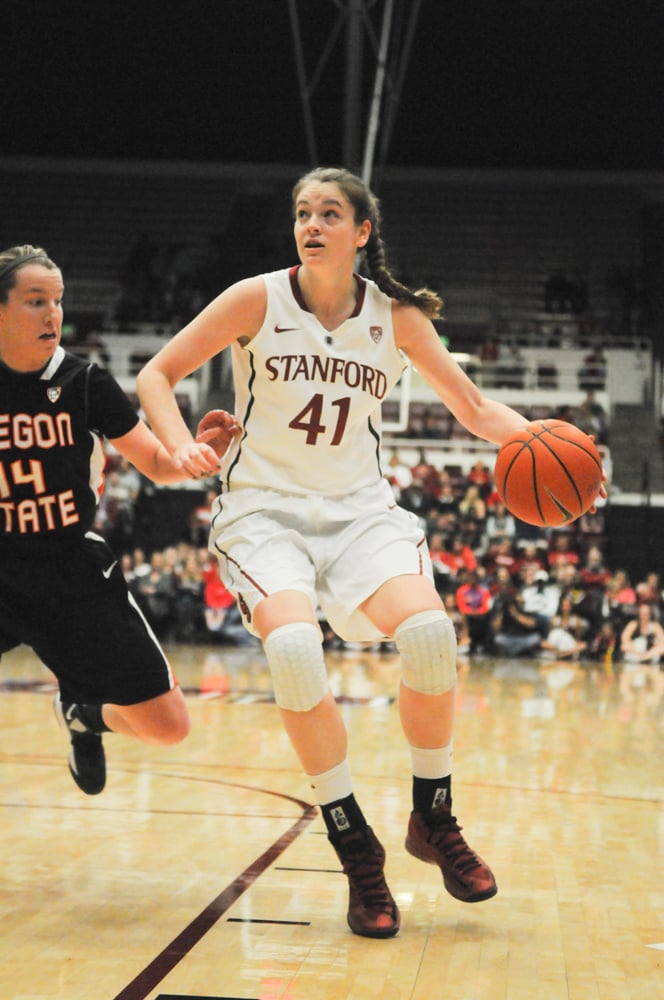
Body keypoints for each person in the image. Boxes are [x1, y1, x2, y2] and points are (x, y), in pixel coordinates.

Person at [135, 166, 591, 939]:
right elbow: (157, 373)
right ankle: (355, 845)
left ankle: (432, 818)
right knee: (293, 649)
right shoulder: (256, 298)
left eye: (329, 214)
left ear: (362, 233)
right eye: (302, 214)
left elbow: (475, 407)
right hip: (265, 516)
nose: (311, 225)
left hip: (359, 514)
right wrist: (178, 448)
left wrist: (547, 442)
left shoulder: (397, 316)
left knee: (428, 634)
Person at [0, 245, 234, 797]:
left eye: (58, 302)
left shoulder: (85, 383)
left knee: (170, 728)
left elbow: (155, 461)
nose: (53, 314)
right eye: (37, 302)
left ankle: (84, 714)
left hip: (70, 573)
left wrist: (193, 455)